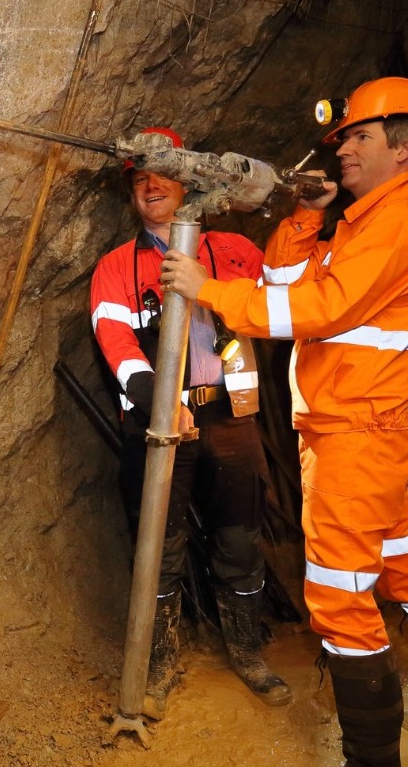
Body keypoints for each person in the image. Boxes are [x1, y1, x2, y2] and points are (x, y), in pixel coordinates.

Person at [160, 78, 408, 767]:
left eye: (359, 137)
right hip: (360, 430)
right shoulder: (360, 223)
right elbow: (287, 283)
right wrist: (305, 217)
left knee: (341, 597)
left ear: (403, 148)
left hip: (360, 436)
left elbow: (313, 312)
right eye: (342, 136)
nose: (342, 146)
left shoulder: (403, 223)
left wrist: (206, 290)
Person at [89, 126, 292, 721]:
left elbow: (289, 296)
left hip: (228, 417)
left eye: (163, 176)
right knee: (159, 546)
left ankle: (248, 652)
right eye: (140, 181)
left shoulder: (231, 251)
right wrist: (157, 402)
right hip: (157, 427)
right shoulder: (116, 269)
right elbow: (116, 342)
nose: (151, 188)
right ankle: (158, 660)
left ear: (190, 182)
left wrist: (302, 213)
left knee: (238, 540)